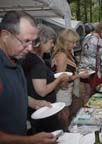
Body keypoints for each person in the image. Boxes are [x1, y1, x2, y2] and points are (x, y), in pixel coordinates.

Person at [0, 11, 56, 144]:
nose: (30, 48)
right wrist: (29, 140)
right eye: (25, 41)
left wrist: (35, 102)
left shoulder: (16, 59)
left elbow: (14, 94)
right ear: (5, 35)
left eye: (33, 42)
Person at [21, 24, 69, 133]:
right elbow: (42, 91)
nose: (52, 45)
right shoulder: (36, 63)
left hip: (41, 108)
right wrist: (59, 78)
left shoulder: (34, 58)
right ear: (42, 41)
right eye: (51, 42)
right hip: (42, 111)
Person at [51, 28, 89, 129]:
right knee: (64, 115)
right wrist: (79, 76)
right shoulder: (62, 55)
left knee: (67, 113)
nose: (75, 45)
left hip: (67, 88)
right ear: (66, 42)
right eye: (73, 42)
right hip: (62, 90)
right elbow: (61, 79)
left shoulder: (67, 52)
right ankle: (65, 134)